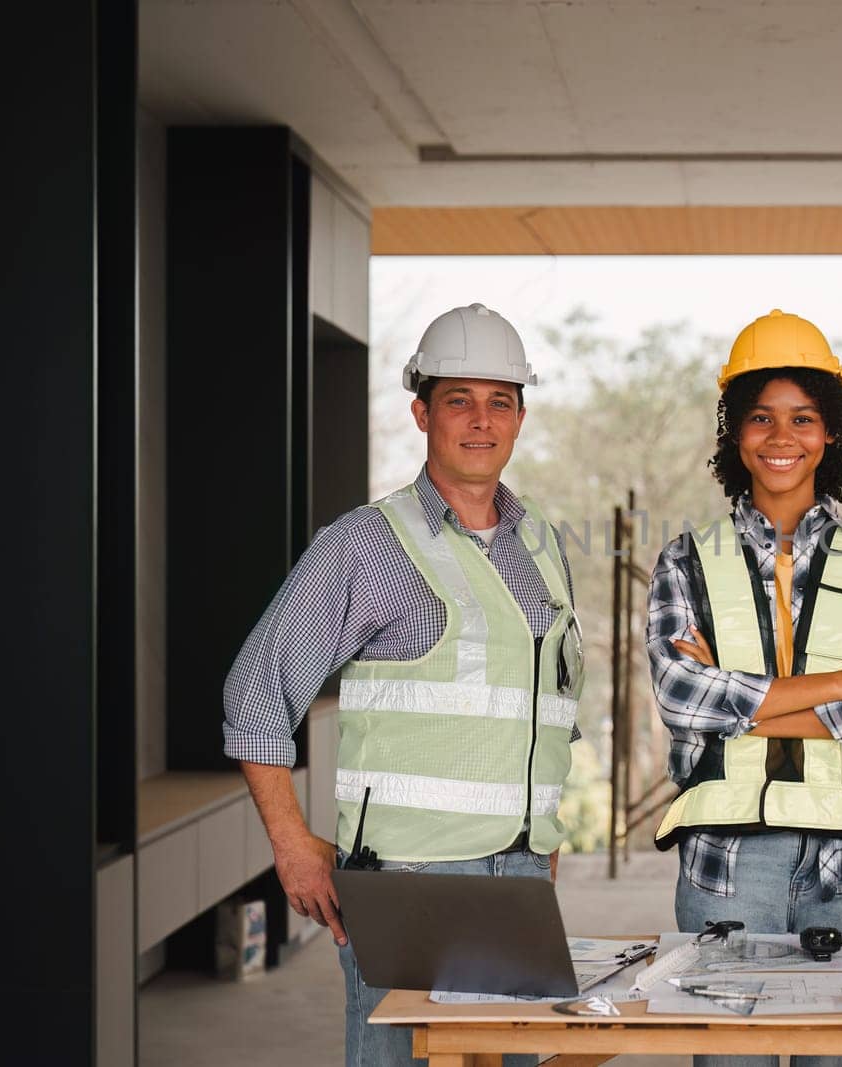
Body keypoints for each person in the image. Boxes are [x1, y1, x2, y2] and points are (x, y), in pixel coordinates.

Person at [224, 303, 584, 1067]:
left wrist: (541, 845)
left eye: (500, 401)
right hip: (409, 882)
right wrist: (291, 845)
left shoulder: (543, 545)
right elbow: (256, 692)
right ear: (422, 411)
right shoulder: (364, 544)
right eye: (460, 400)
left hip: (519, 877)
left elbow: (548, 712)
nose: (481, 421)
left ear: (520, 416)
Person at [647, 309, 842, 1067]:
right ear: (735, 432)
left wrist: (739, 710)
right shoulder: (686, 560)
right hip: (727, 867)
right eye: (762, 417)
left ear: (830, 431)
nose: (781, 436)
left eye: (803, 417)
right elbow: (678, 694)